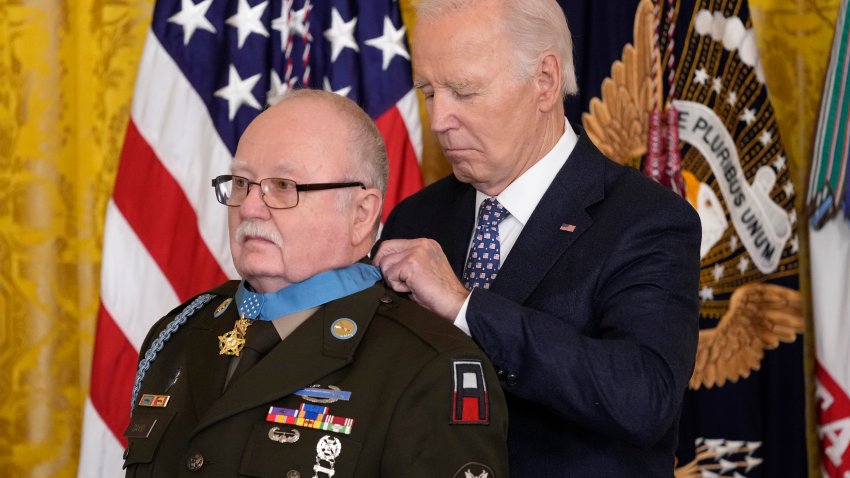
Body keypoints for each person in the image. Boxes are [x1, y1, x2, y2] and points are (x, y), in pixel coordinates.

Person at [372, 0, 702, 476]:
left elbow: (643, 397)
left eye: (463, 92)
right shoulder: (415, 217)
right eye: (428, 92)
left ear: (545, 81)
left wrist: (467, 308)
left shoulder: (647, 219)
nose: (439, 118)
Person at [123, 89, 508, 478]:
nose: (250, 208)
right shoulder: (177, 335)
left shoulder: (429, 366)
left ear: (361, 215)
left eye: (284, 186)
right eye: (241, 183)